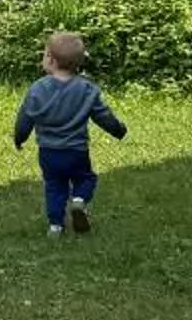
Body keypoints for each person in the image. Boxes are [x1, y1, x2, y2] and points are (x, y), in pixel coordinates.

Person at [13, 31, 127, 237]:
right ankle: (79, 200)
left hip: (49, 152)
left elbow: (25, 118)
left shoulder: (37, 90)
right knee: (86, 179)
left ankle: (55, 226)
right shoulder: (86, 89)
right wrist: (118, 130)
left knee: (54, 187)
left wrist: (19, 137)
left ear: (51, 59)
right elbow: (103, 116)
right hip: (76, 151)